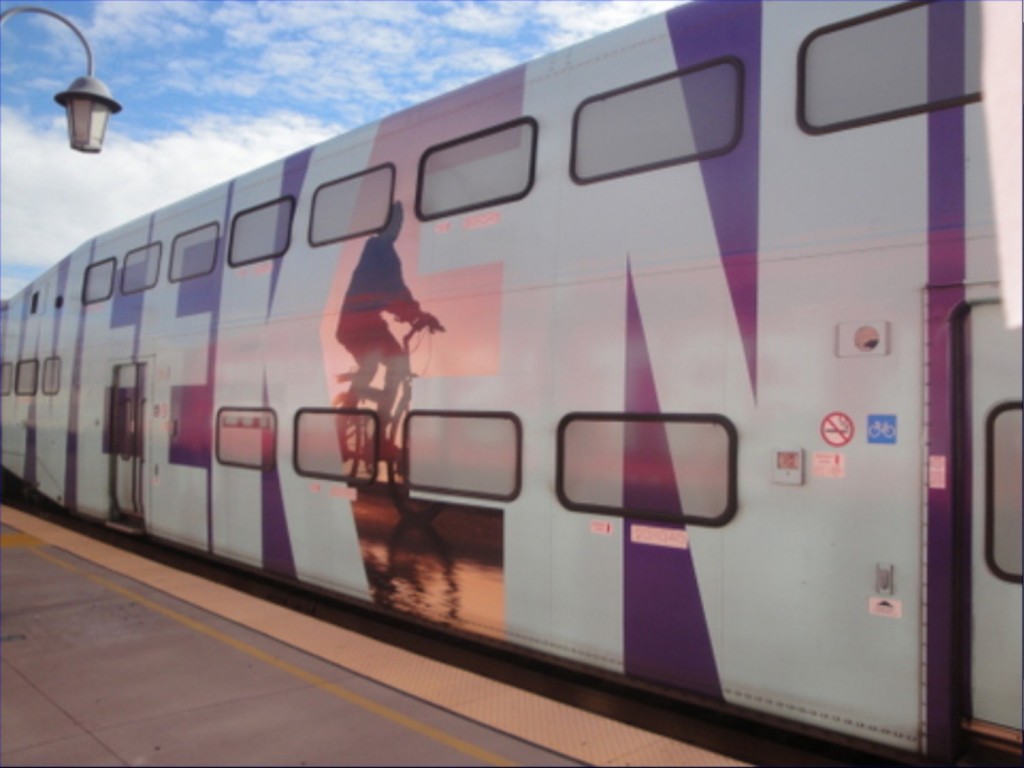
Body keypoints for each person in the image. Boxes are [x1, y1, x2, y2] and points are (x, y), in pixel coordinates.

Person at [335, 201, 443, 454]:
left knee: (397, 366)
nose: (398, 229)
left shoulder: (385, 252)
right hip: (357, 326)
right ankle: (365, 430)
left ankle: (371, 420)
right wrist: (419, 316)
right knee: (381, 366)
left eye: (400, 224)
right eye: (395, 223)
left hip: (371, 325)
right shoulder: (378, 251)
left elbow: (398, 292)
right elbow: (392, 291)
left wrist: (421, 317)